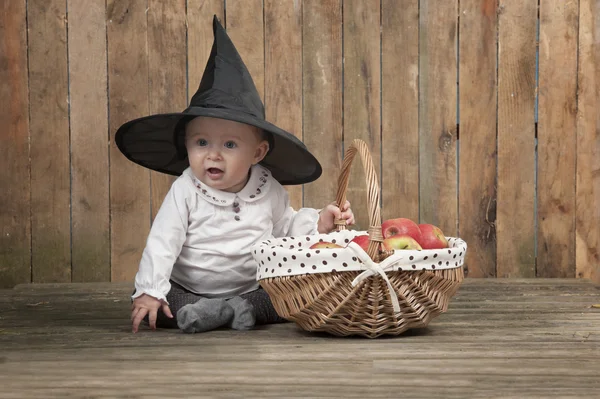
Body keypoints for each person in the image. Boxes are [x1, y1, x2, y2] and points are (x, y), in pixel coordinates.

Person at [114, 16, 354, 334]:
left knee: (285, 296)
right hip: (191, 287)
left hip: (252, 286)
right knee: (168, 298)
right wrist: (148, 290)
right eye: (201, 142)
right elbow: (163, 243)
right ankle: (213, 310)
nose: (212, 154)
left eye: (229, 144)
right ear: (186, 145)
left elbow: (286, 230)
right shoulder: (186, 189)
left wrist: (319, 224)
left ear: (257, 153)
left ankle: (236, 308)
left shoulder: (268, 189)